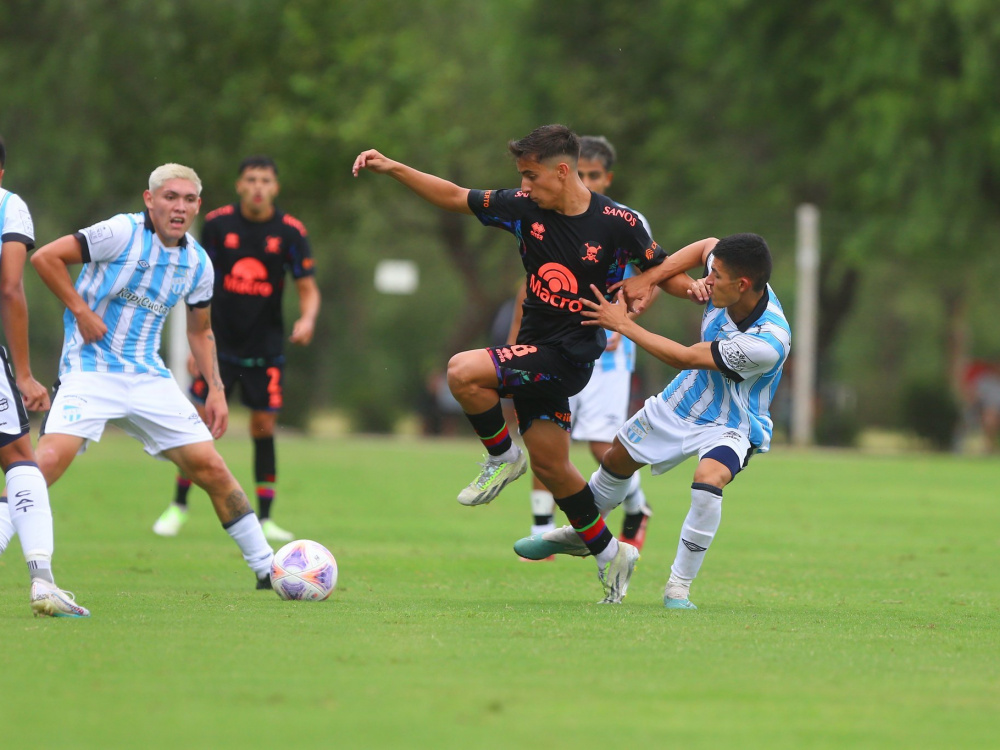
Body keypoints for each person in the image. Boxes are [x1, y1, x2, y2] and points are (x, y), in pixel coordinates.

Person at [352, 125, 698, 602]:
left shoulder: (618, 222)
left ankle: (501, 456)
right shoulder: (524, 207)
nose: (525, 186)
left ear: (562, 170)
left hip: (569, 356)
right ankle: (610, 554)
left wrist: (697, 288)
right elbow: (454, 196)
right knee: (555, 468)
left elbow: (662, 267)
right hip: (535, 351)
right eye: (522, 177)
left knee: (462, 371)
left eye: (531, 176)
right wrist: (393, 167)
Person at [0, 163, 275, 590]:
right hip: (90, 370)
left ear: (198, 206)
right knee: (44, 464)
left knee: (213, 468)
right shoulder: (120, 233)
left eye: (188, 200)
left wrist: (217, 390)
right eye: (170, 197)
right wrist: (81, 310)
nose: (178, 207)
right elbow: (46, 258)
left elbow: (200, 331)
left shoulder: (198, 263)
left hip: (149, 378)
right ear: (150, 200)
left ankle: (268, 568)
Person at [515, 233, 790, 610]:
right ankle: (584, 534)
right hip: (681, 402)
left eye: (716, 279)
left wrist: (621, 324)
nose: (707, 281)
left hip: (734, 422)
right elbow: (704, 245)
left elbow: (684, 357)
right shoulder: (727, 273)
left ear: (742, 286)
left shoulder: (768, 341)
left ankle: (678, 586)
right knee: (614, 459)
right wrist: (649, 278)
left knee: (709, 479)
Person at [152, 156, 320, 542]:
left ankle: (266, 518)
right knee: (197, 425)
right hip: (217, 345)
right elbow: (196, 279)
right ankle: (178, 506)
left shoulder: (291, 231)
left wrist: (308, 318)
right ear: (239, 185)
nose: (258, 186)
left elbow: (307, 287)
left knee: (263, 427)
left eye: (265, 180)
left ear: (275, 187)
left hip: (266, 348)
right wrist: (196, 345)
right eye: (251, 179)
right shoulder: (217, 224)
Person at [509, 135, 653, 553]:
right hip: (554, 344)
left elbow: (652, 275)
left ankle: (636, 507)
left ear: (607, 177)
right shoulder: (548, 209)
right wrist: (513, 345)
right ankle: (542, 527)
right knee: (545, 434)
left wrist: (621, 321)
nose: (588, 180)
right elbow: (533, 282)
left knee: (598, 444)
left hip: (608, 353)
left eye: (595, 174)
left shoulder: (623, 220)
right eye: (582, 172)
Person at [0, 135, 90, 617]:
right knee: (18, 458)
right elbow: (11, 287)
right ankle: (42, 581)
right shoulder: (9, 206)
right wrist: (26, 374)